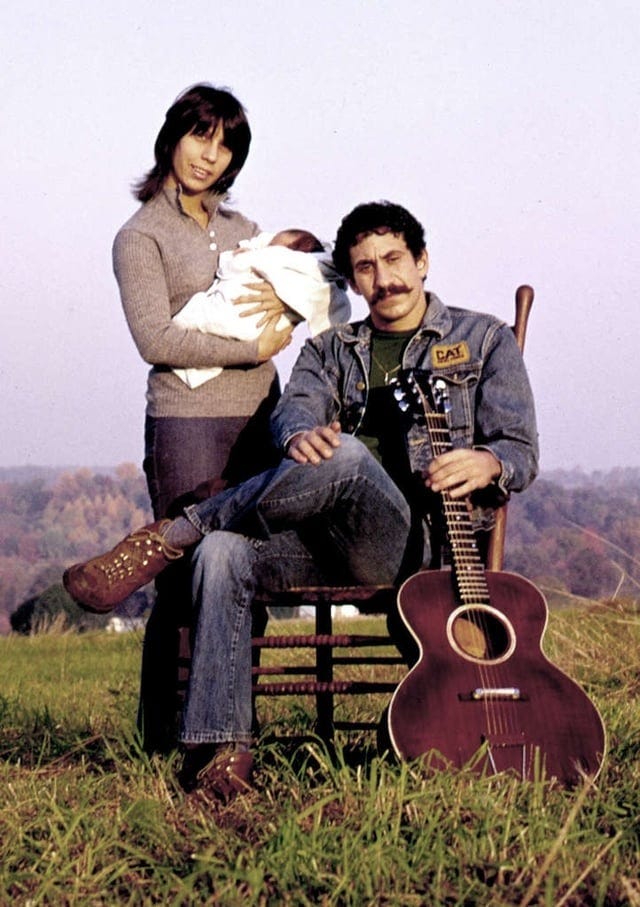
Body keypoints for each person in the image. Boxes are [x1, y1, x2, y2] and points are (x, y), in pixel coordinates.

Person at [65, 200, 539, 801]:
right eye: (364, 267)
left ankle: (171, 534)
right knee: (223, 551)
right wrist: (295, 433)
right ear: (352, 276)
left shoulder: (484, 338)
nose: (383, 278)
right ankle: (221, 753)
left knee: (342, 457)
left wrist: (489, 461)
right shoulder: (331, 347)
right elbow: (295, 409)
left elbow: (521, 450)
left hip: (412, 545)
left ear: (422, 262)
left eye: (394, 259)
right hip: (318, 540)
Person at [110, 83, 294, 754]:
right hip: (187, 423)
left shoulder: (248, 233)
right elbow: (155, 340)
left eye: (226, 145)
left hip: (261, 422)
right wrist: (249, 348)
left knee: (245, 569)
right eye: (200, 135)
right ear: (173, 136)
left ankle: (232, 731)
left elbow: (285, 304)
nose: (209, 155)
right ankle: (162, 737)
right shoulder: (140, 236)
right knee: (183, 574)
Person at [172, 228, 351, 388]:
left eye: (272, 246)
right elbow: (157, 342)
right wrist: (255, 351)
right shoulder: (152, 231)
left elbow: (237, 265)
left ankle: (187, 322)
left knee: (206, 316)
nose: (266, 248)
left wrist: (287, 300)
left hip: (259, 382)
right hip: (188, 402)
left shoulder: (273, 255)